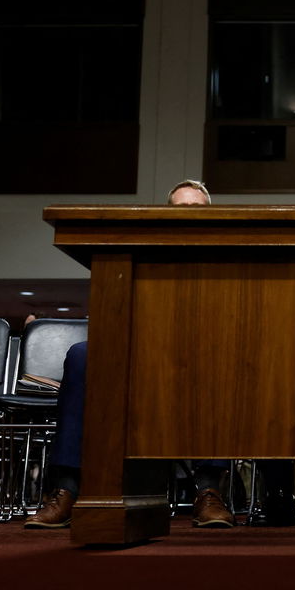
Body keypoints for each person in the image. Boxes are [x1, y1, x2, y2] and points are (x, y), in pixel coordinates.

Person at [26, 178, 240, 530]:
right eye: (180, 208)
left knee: (219, 357)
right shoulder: (137, 247)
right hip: (139, 347)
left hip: (202, 351)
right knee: (81, 355)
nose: (187, 215)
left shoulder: (226, 256)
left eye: (196, 209)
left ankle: (208, 490)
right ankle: (67, 488)